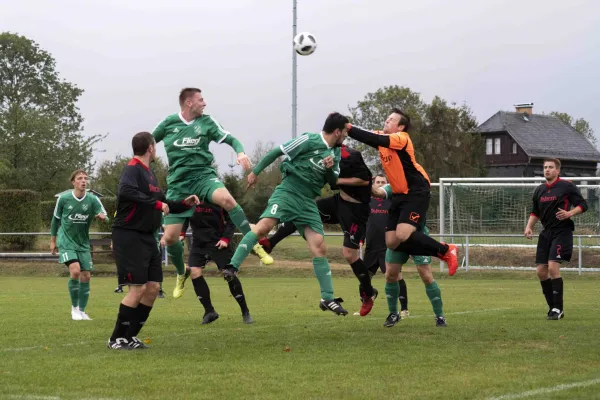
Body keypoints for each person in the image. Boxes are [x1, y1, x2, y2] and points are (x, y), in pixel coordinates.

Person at [224, 112, 350, 315]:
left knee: (319, 246)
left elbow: (334, 183)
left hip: (308, 201)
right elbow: (276, 152)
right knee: (264, 227)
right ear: (337, 131)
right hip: (289, 191)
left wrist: (328, 169)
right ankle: (232, 267)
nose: (346, 135)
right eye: (345, 131)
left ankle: (327, 298)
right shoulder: (308, 139)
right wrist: (255, 172)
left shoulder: (335, 153)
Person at [152, 88, 272, 300]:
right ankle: (182, 272)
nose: (204, 103)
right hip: (179, 184)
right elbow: (149, 143)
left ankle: (251, 242)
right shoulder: (169, 123)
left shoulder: (207, 123)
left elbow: (231, 139)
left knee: (227, 200)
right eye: (201, 100)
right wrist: (142, 166)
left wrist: (241, 152)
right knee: (170, 238)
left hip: (203, 177)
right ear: (189, 103)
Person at [259, 145, 378, 316]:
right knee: (303, 212)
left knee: (349, 254)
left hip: (356, 210)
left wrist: (336, 181)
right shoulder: (322, 151)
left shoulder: (352, 155)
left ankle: (368, 294)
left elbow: (365, 180)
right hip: (338, 202)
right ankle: (271, 243)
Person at [108, 131, 199, 350]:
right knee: (137, 289)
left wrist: (184, 204)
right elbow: (126, 191)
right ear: (150, 148)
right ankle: (116, 339)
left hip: (148, 237)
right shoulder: (132, 169)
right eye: (155, 146)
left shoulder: (150, 173)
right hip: (129, 235)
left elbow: (163, 201)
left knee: (153, 288)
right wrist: (157, 205)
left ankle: (130, 337)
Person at [346, 109, 459, 277]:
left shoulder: (401, 138)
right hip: (399, 195)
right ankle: (441, 251)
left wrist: (348, 128)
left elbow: (374, 138)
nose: (386, 121)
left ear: (401, 127)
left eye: (391, 120)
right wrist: (342, 132)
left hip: (416, 192)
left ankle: (447, 249)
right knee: (392, 242)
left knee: (403, 234)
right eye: (387, 118)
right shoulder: (383, 140)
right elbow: (368, 134)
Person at [371, 183, 447, 327]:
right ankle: (394, 313)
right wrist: (366, 182)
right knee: (390, 275)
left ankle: (440, 316)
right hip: (396, 236)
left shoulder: (418, 184)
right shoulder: (393, 184)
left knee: (425, 274)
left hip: (417, 235)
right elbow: (379, 193)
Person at [524, 158, 587, 320]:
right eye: (545, 167)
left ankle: (558, 309)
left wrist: (569, 214)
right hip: (546, 233)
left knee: (553, 268)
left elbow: (583, 205)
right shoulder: (539, 190)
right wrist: (529, 226)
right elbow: (535, 212)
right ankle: (553, 308)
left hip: (562, 231)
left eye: (550, 167)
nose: (547, 170)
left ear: (557, 170)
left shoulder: (567, 186)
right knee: (541, 271)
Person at [180, 202, 254, 324]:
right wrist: (181, 233)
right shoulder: (191, 198)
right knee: (194, 272)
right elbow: (184, 216)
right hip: (199, 243)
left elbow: (231, 220)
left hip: (218, 242)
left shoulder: (218, 197)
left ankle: (245, 312)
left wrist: (225, 238)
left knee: (229, 274)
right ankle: (209, 311)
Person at [51, 170, 108, 321]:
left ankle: (82, 311)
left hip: (83, 243)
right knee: (75, 271)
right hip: (66, 241)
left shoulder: (93, 199)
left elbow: (105, 216)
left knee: (86, 276)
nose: (83, 181)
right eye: (80, 178)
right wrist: (53, 240)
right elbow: (55, 220)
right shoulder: (64, 199)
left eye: (85, 178)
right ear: (73, 182)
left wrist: (103, 217)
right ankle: (74, 309)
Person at [362, 174, 409, 317]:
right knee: (363, 277)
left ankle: (404, 309)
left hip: (387, 247)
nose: (381, 184)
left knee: (396, 276)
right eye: (378, 182)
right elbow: (362, 221)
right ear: (374, 184)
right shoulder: (367, 201)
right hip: (371, 247)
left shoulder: (392, 200)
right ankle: (368, 300)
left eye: (383, 182)